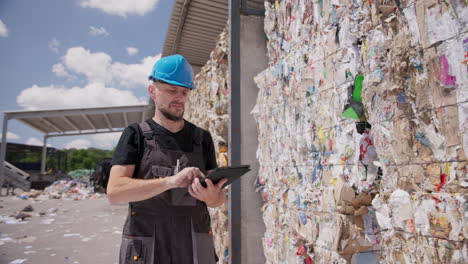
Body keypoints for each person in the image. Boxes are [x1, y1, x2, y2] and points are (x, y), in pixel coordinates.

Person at [107, 54, 227, 264]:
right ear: (152, 91)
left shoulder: (202, 138)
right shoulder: (135, 135)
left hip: (193, 248)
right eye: (172, 90)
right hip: (149, 248)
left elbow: (218, 201)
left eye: (184, 91)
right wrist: (170, 181)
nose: (179, 97)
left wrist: (210, 196)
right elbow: (115, 192)